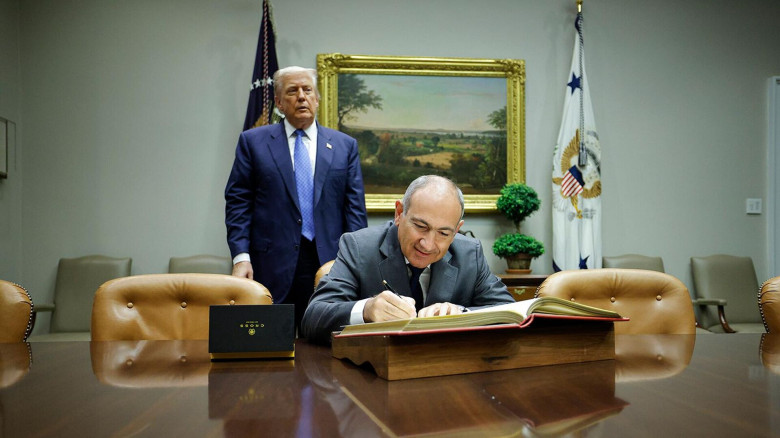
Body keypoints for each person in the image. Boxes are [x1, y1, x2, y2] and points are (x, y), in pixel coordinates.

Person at [225, 66, 368, 332]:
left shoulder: (344, 146)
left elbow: (355, 211)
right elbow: (238, 204)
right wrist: (241, 257)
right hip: (270, 266)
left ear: (317, 99)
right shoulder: (253, 142)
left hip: (330, 265)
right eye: (292, 91)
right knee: (271, 345)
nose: (301, 97)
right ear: (279, 102)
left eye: (307, 90)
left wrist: (357, 265)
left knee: (326, 345)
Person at [301, 175, 514, 344]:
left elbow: (511, 312)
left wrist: (461, 314)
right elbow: (312, 320)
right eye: (421, 227)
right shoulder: (359, 247)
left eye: (443, 233)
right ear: (399, 213)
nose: (428, 244)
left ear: (457, 230)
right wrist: (366, 310)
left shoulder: (469, 253)